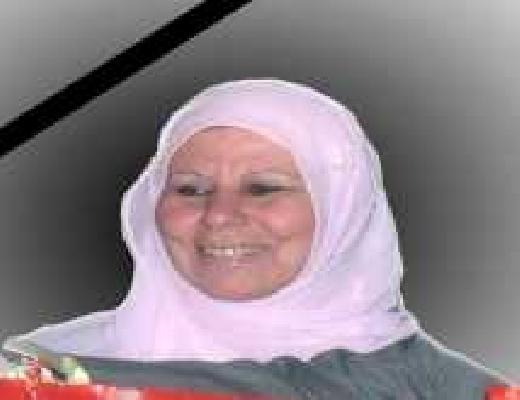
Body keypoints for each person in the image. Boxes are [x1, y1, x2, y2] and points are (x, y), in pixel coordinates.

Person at [2, 79, 512, 398]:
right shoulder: (38, 376)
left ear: (344, 211)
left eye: (264, 188)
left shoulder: (451, 392)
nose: (220, 215)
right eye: (190, 189)